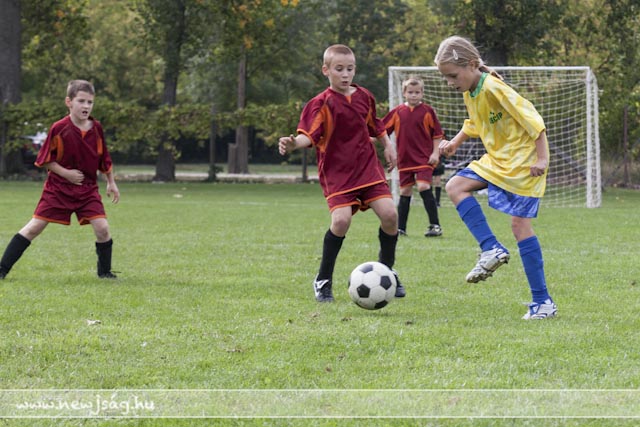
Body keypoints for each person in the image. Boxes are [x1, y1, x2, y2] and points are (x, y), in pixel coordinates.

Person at [434, 36, 557, 320]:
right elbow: (475, 123)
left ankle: (543, 302)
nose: (450, 83)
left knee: (520, 226)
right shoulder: (471, 91)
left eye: (453, 75)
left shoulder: (493, 87)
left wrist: (542, 159)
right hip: (499, 160)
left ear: (472, 64)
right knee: (455, 186)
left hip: (523, 163)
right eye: (446, 77)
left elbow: (533, 120)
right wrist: (455, 142)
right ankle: (491, 247)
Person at [278, 44, 404, 302]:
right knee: (341, 221)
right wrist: (293, 144)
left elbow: (376, 124)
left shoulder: (364, 96)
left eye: (350, 69)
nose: (345, 74)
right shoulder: (320, 103)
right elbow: (309, 136)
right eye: (339, 69)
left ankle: (387, 271)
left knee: (391, 215)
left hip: (367, 168)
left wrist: (388, 146)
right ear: (326, 70)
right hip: (337, 173)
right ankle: (323, 280)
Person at [0, 80, 120, 280]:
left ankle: (105, 272)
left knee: (102, 228)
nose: (86, 106)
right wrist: (66, 173)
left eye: (90, 102)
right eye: (81, 101)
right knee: (34, 227)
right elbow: (44, 160)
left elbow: (104, 157)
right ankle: (2, 269)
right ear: (69, 102)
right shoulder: (59, 128)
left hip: (87, 189)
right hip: (58, 189)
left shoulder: (96, 128)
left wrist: (111, 182)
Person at [382, 77, 444, 237]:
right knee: (405, 191)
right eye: (410, 92)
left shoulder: (428, 111)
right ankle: (400, 228)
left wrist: (435, 153)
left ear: (422, 93)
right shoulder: (397, 112)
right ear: (404, 93)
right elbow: (381, 131)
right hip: (405, 160)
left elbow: (437, 135)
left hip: (424, 158)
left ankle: (435, 226)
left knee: (423, 186)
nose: (414, 95)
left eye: (417, 92)